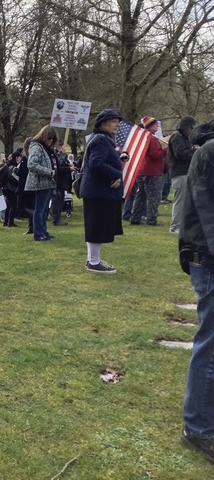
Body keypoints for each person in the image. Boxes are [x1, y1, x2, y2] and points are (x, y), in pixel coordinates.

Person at [179, 119, 214, 462]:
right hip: (208, 259)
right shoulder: (208, 154)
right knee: (210, 346)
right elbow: (207, 214)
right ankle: (198, 427)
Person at [79, 109, 126, 273]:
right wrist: (115, 175)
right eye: (114, 121)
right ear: (103, 124)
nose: (118, 125)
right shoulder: (100, 140)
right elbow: (96, 163)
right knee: (96, 228)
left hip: (100, 192)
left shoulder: (103, 139)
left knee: (97, 227)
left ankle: (94, 259)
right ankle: (93, 262)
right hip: (98, 192)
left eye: (118, 122)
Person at [130, 115, 168, 226]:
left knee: (140, 195)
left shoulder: (141, 137)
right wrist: (165, 150)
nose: (157, 126)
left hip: (141, 170)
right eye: (156, 125)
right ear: (151, 126)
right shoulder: (152, 138)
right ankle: (151, 219)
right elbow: (156, 155)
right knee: (153, 197)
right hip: (153, 171)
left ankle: (135, 217)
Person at [25, 126, 57, 241]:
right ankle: (39, 234)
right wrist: (49, 172)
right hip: (40, 183)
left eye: (52, 139)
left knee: (44, 210)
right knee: (40, 209)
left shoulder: (44, 148)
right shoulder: (36, 147)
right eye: (49, 138)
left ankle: (43, 232)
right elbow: (32, 164)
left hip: (47, 183)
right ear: (43, 136)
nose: (50, 141)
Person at [168, 116, 197, 234]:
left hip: (186, 172)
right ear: (186, 127)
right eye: (191, 128)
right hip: (180, 172)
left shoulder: (184, 138)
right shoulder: (177, 137)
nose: (192, 131)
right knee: (180, 201)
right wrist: (196, 153)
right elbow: (181, 154)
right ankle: (175, 226)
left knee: (186, 201)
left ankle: (183, 225)